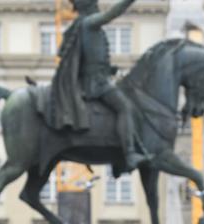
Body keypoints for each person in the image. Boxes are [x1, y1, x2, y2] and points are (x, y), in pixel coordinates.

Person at [51, 0, 146, 170]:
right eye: (95, 3)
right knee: (125, 107)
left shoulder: (83, 25)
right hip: (96, 84)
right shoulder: (89, 22)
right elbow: (113, 13)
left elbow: (90, 58)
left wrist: (109, 69)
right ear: (89, 6)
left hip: (99, 78)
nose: (98, 6)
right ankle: (130, 154)